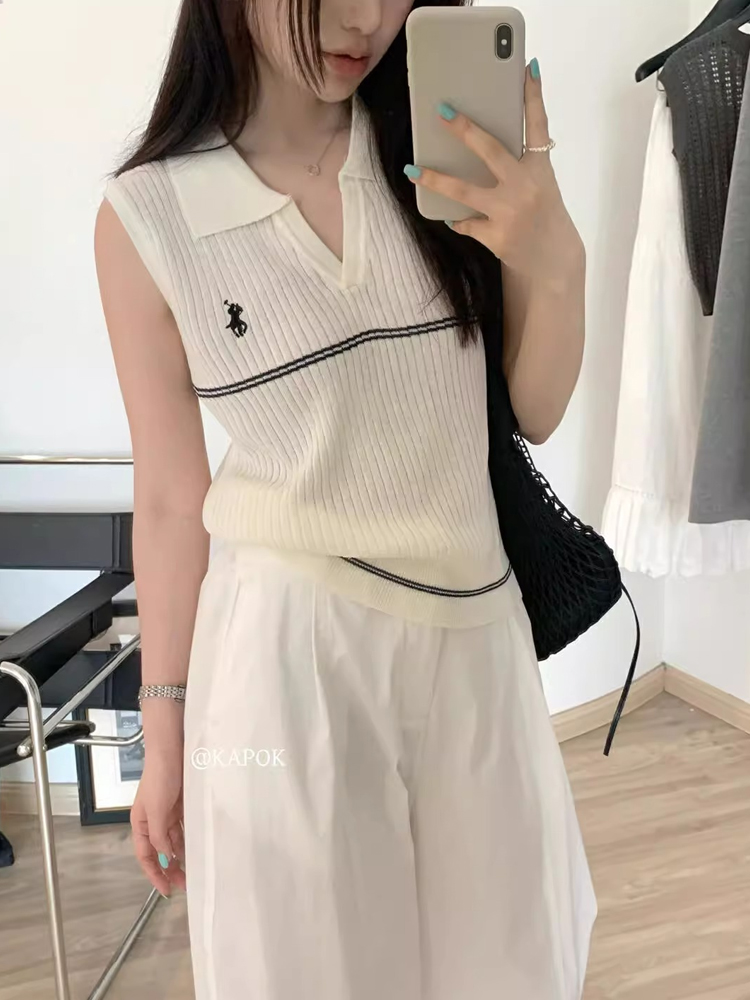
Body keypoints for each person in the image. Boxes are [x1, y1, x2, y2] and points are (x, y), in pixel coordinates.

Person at [94, 1, 594, 998]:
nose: (367, 17)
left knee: (510, 967)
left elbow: (533, 411)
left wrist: (556, 258)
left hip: (477, 639)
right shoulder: (148, 216)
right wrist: (166, 730)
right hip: (285, 658)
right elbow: (171, 498)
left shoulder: (439, 149)